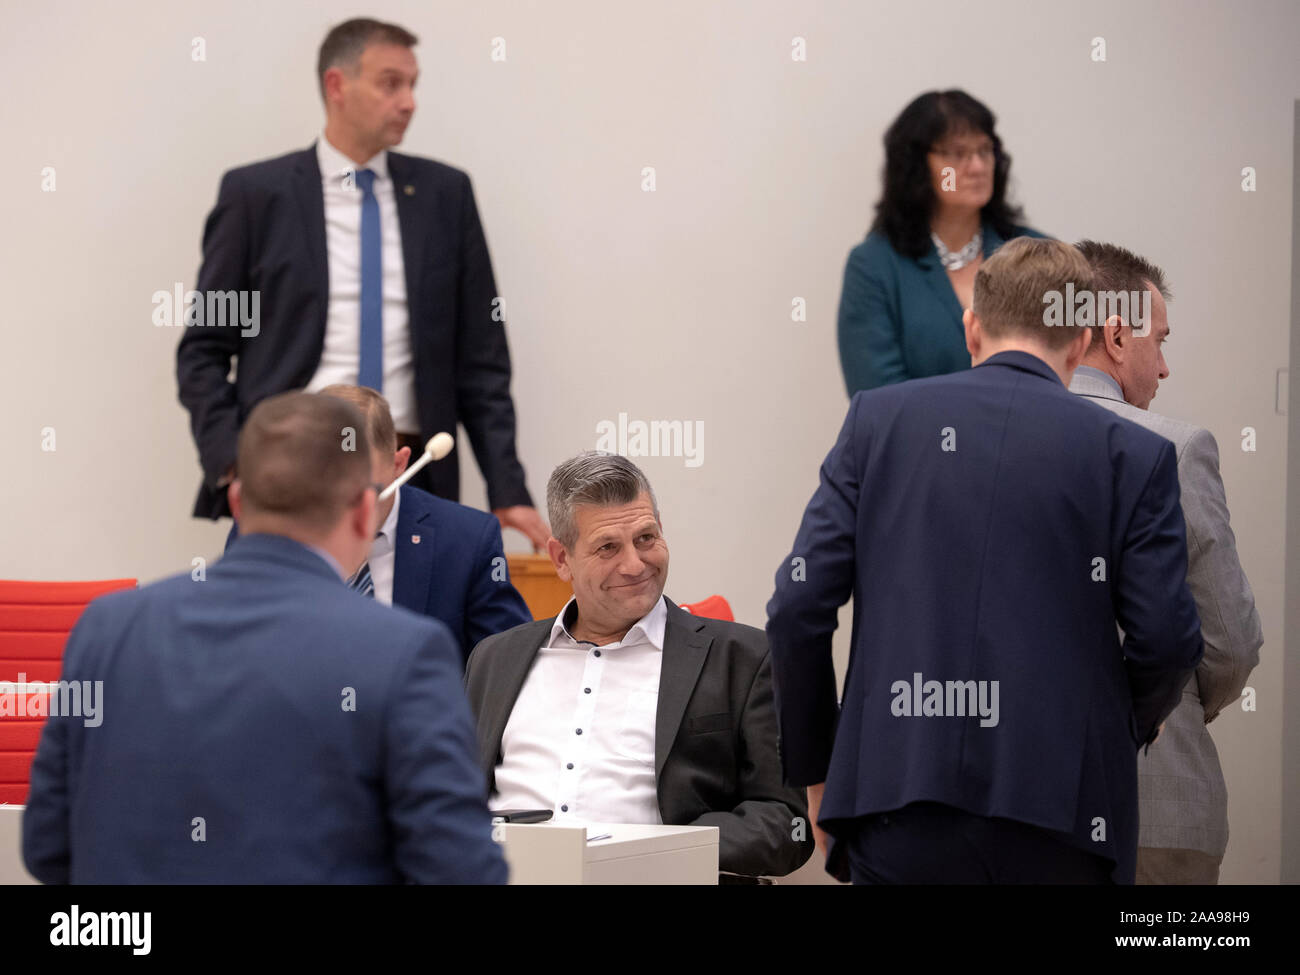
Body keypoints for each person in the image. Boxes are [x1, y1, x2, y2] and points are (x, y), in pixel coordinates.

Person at [768, 237, 1203, 884]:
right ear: (1082, 340)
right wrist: (1122, 723)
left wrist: (818, 774)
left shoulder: (877, 423)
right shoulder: (1132, 454)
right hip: (1066, 822)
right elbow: (1167, 639)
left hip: (897, 808)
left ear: (972, 327)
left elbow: (797, 606)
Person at [23, 392, 506, 884]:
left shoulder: (105, 628)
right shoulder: (406, 652)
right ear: (365, 511)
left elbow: (46, 844)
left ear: (236, 500)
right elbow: (462, 870)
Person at [177, 17, 548, 549]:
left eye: (413, 85)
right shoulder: (257, 197)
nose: (409, 101)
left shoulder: (446, 196)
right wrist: (235, 462)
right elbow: (203, 352)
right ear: (337, 85)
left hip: (416, 465)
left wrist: (507, 486)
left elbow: (482, 362)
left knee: (420, 630)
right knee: (287, 629)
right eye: (390, 83)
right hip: (289, 466)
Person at [465, 452, 813, 878]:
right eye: (608, 547)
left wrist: (659, 852)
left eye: (646, 538)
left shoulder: (744, 659)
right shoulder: (494, 658)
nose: (635, 565)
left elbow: (786, 825)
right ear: (561, 559)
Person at [1069, 240, 1262, 885]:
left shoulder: (985, 445)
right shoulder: (1176, 449)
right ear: (1118, 337)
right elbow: (1231, 641)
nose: (1166, 368)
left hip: (1015, 813)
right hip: (1158, 806)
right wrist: (1173, 707)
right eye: (1161, 341)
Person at [227, 384, 534, 664]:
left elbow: (507, 669)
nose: (343, 509)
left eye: (360, 489)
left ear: (399, 464)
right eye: (324, 483)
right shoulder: (265, 531)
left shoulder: (467, 539)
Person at [837, 89, 1045, 394]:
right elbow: (878, 399)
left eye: (985, 150)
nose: (977, 166)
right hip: (921, 441)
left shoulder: (1036, 253)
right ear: (916, 166)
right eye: (957, 154)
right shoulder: (874, 266)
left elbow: (1071, 368)